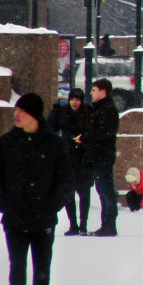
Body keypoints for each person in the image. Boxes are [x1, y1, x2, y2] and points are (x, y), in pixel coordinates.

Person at [0, 93, 72, 285]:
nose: (16, 115)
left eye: (22, 111)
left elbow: (65, 180)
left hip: (43, 219)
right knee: (17, 267)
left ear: (33, 116)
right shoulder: (7, 142)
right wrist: (3, 202)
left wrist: (51, 206)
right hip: (14, 218)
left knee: (42, 270)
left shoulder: (54, 144)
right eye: (16, 110)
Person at [74, 78, 120, 236]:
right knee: (103, 190)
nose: (92, 93)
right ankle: (106, 224)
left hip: (103, 156)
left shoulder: (108, 110)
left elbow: (104, 134)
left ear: (103, 92)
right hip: (98, 155)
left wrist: (85, 138)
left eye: (94, 90)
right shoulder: (100, 108)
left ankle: (109, 225)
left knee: (106, 191)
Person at [48, 88, 91, 235]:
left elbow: (92, 131)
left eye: (77, 99)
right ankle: (73, 224)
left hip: (83, 158)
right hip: (68, 158)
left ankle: (83, 224)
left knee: (84, 191)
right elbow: (51, 128)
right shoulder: (62, 112)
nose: (74, 102)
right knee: (68, 192)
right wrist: (54, 112)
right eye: (72, 99)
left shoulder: (88, 113)